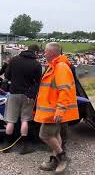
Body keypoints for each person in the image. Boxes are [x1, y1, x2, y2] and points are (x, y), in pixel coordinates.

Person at [35, 42, 79, 174]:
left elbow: (64, 90)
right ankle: (55, 160)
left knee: (45, 134)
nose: (44, 53)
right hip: (51, 110)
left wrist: (60, 110)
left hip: (55, 111)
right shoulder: (53, 66)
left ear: (53, 53)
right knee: (55, 134)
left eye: (46, 52)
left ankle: (63, 157)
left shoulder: (60, 67)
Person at [3, 44, 42, 154]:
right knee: (25, 120)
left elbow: (7, 75)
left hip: (13, 93)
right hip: (28, 95)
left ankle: (7, 145)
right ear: (36, 52)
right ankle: (25, 147)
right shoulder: (36, 64)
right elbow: (39, 82)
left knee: (10, 120)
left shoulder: (14, 60)